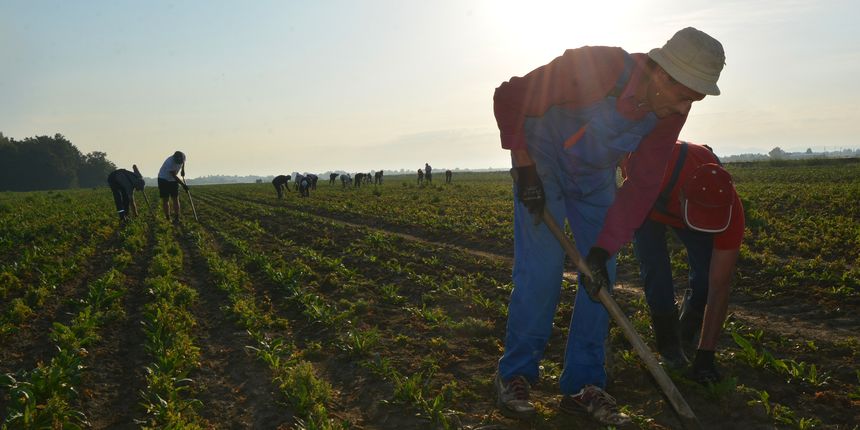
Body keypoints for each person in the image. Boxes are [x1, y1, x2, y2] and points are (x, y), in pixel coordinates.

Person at [493, 27, 725, 426]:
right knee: (542, 271)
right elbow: (509, 96)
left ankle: (583, 384)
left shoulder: (670, 112)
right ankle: (514, 374)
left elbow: (645, 182)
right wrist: (526, 167)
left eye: (696, 99)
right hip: (543, 161)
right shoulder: (600, 68)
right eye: (686, 95)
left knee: (601, 278)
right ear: (662, 76)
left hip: (593, 178)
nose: (686, 107)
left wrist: (604, 247)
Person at [629, 140, 744, 383]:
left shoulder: (729, 210)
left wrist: (707, 355)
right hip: (648, 205)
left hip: (683, 201)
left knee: (705, 276)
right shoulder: (652, 166)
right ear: (682, 196)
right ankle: (668, 343)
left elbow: (720, 285)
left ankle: (688, 332)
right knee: (655, 268)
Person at [157, 151, 188, 223]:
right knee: (166, 199)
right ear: (175, 159)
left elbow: (183, 163)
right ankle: (168, 218)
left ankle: (177, 217)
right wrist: (183, 185)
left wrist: (182, 170)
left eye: (181, 160)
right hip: (163, 179)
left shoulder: (183, 157)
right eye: (178, 161)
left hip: (173, 181)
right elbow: (174, 176)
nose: (180, 162)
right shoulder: (169, 162)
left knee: (175, 198)